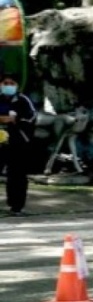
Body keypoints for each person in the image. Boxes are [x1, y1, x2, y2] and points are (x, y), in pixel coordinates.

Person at [0, 74, 36, 215]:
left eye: (11, 83)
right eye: (5, 83)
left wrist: (16, 120)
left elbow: (32, 116)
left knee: (17, 175)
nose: (8, 85)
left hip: (18, 142)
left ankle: (17, 206)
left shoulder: (23, 100)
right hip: (1, 141)